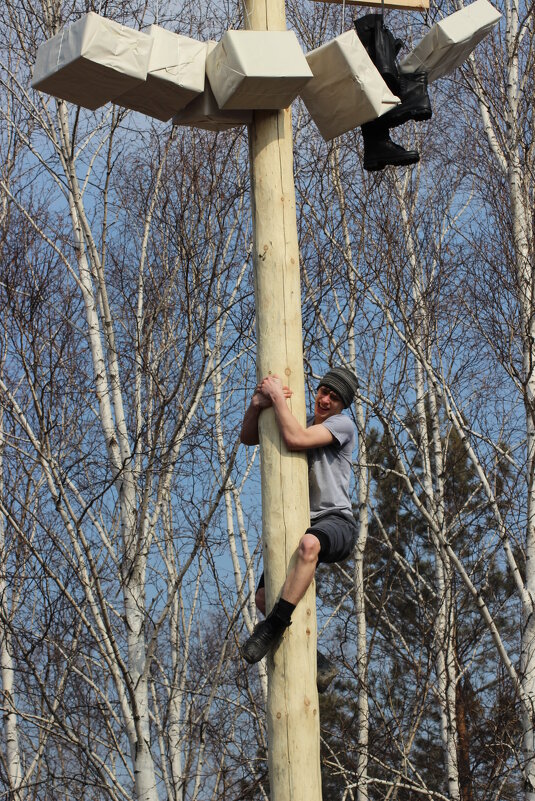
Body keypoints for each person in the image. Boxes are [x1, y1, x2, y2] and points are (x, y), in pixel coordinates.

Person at [240, 367, 359, 691]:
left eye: (334, 398)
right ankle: (318, 663)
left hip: (336, 521)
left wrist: (277, 398)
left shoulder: (342, 426)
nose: (326, 400)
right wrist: (256, 404)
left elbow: (294, 439)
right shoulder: (301, 418)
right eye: (324, 391)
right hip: (301, 522)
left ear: (342, 405)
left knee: (309, 545)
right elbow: (249, 437)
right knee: (265, 597)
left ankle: (272, 628)